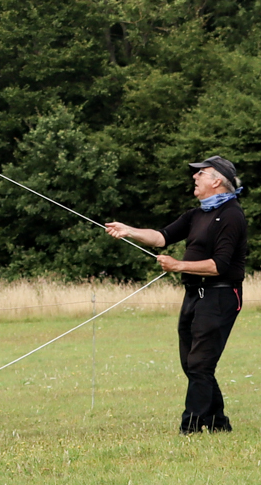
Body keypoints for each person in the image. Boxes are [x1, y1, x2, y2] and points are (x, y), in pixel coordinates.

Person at [104, 156, 247, 434]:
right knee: (191, 363)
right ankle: (218, 424)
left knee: (200, 364)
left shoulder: (231, 215)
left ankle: (190, 428)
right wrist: (128, 231)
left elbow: (219, 265)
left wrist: (178, 265)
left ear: (217, 181)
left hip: (220, 295)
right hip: (194, 294)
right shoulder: (196, 215)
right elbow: (161, 237)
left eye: (201, 173)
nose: (194, 177)